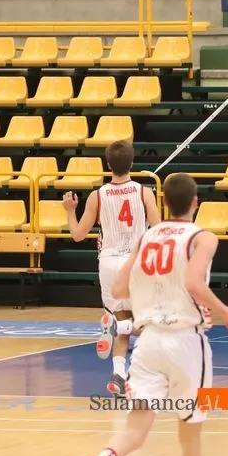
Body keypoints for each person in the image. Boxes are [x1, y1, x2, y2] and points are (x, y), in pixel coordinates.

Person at [84, 173, 228, 456]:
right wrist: (225, 310)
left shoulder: (147, 237)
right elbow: (194, 284)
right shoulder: (202, 237)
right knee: (190, 433)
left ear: (163, 202)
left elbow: (119, 288)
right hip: (186, 341)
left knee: (136, 427)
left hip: (149, 342)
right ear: (196, 202)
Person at [62, 140, 161, 396]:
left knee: (121, 317)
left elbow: (77, 234)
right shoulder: (144, 192)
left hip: (108, 262)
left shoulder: (97, 195)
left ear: (108, 165)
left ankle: (118, 375)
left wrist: (69, 211)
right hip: (135, 262)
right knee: (149, 322)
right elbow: (159, 230)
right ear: (132, 162)